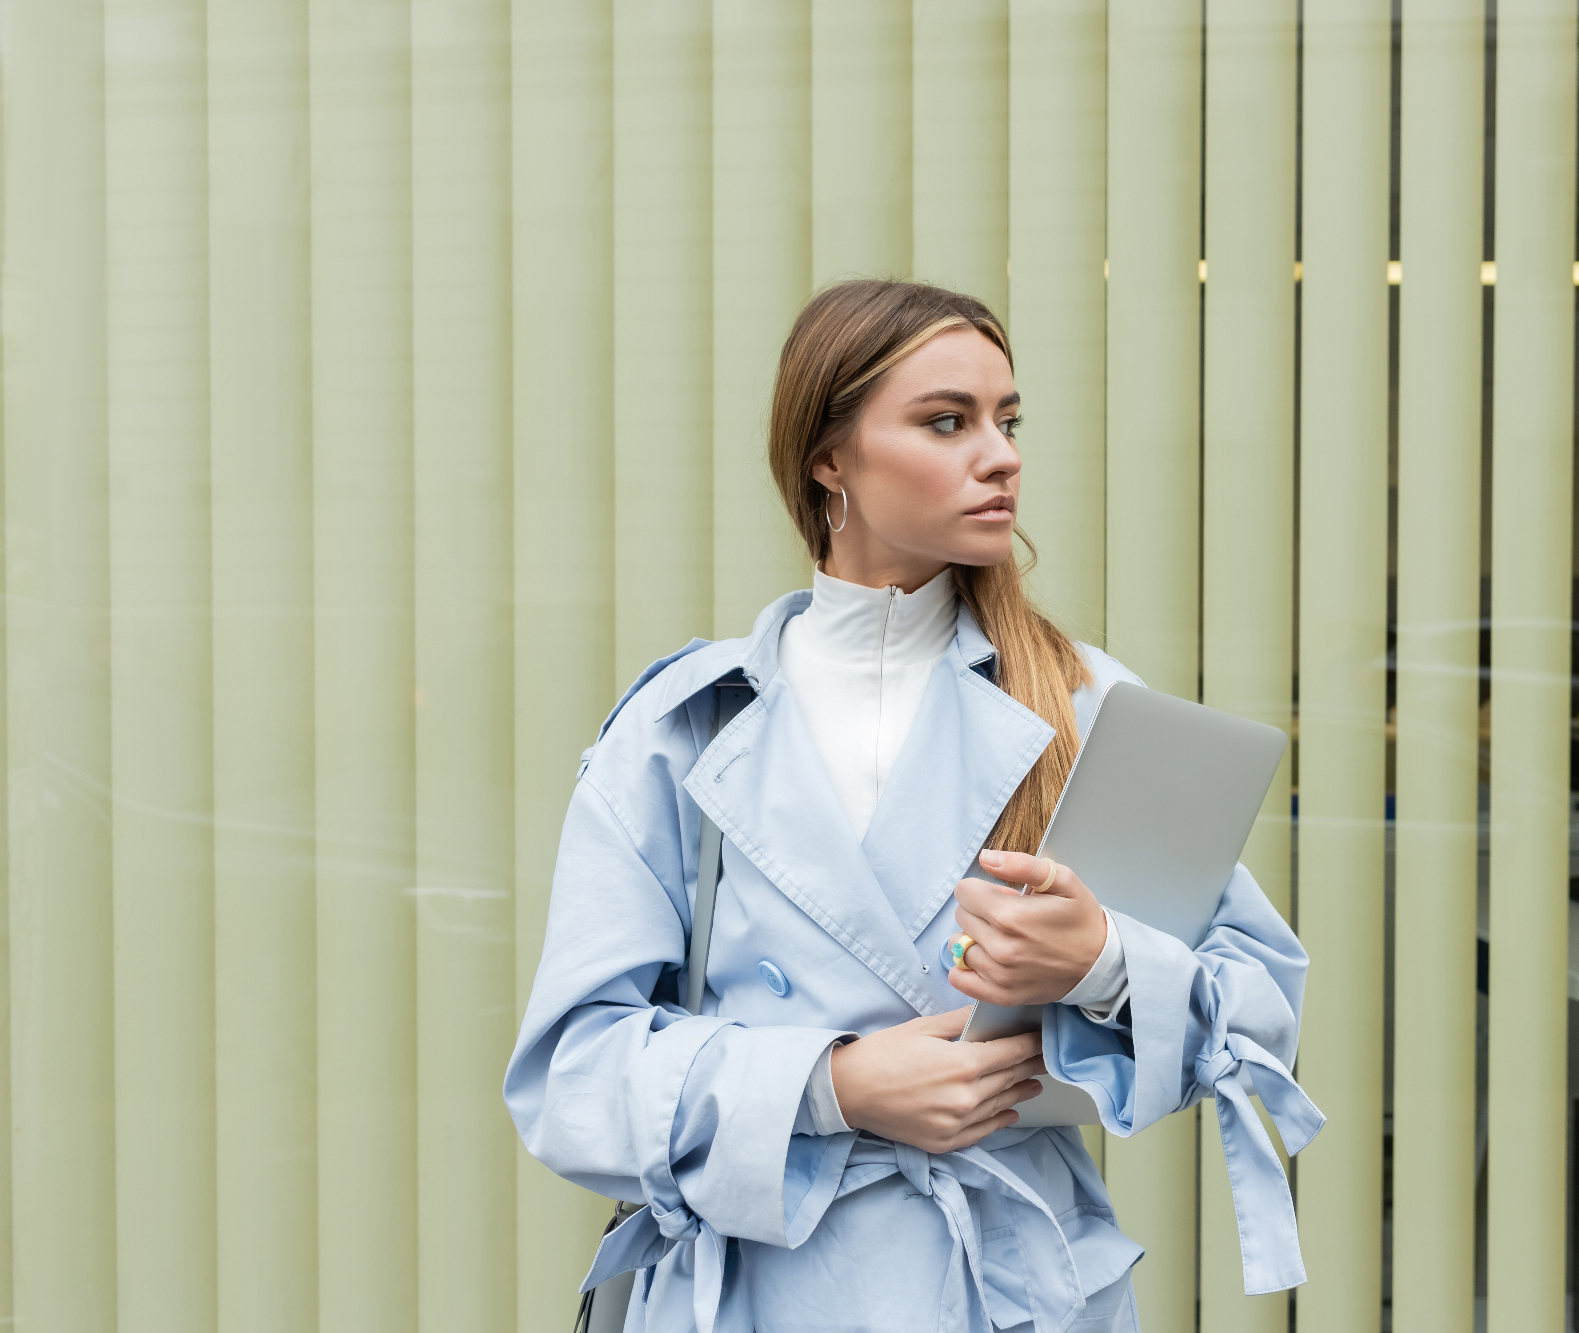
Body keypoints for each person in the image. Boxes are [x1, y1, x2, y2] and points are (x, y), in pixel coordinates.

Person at [504, 279, 1320, 1333]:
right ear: (827, 456)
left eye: (1007, 420)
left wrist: (1102, 961)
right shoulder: (682, 727)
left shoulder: (1081, 701)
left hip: (1013, 1289)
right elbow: (572, 1074)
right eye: (946, 421)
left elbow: (1260, 1015)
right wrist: (832, 1085)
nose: (1000, 454)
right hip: (758, 1291)